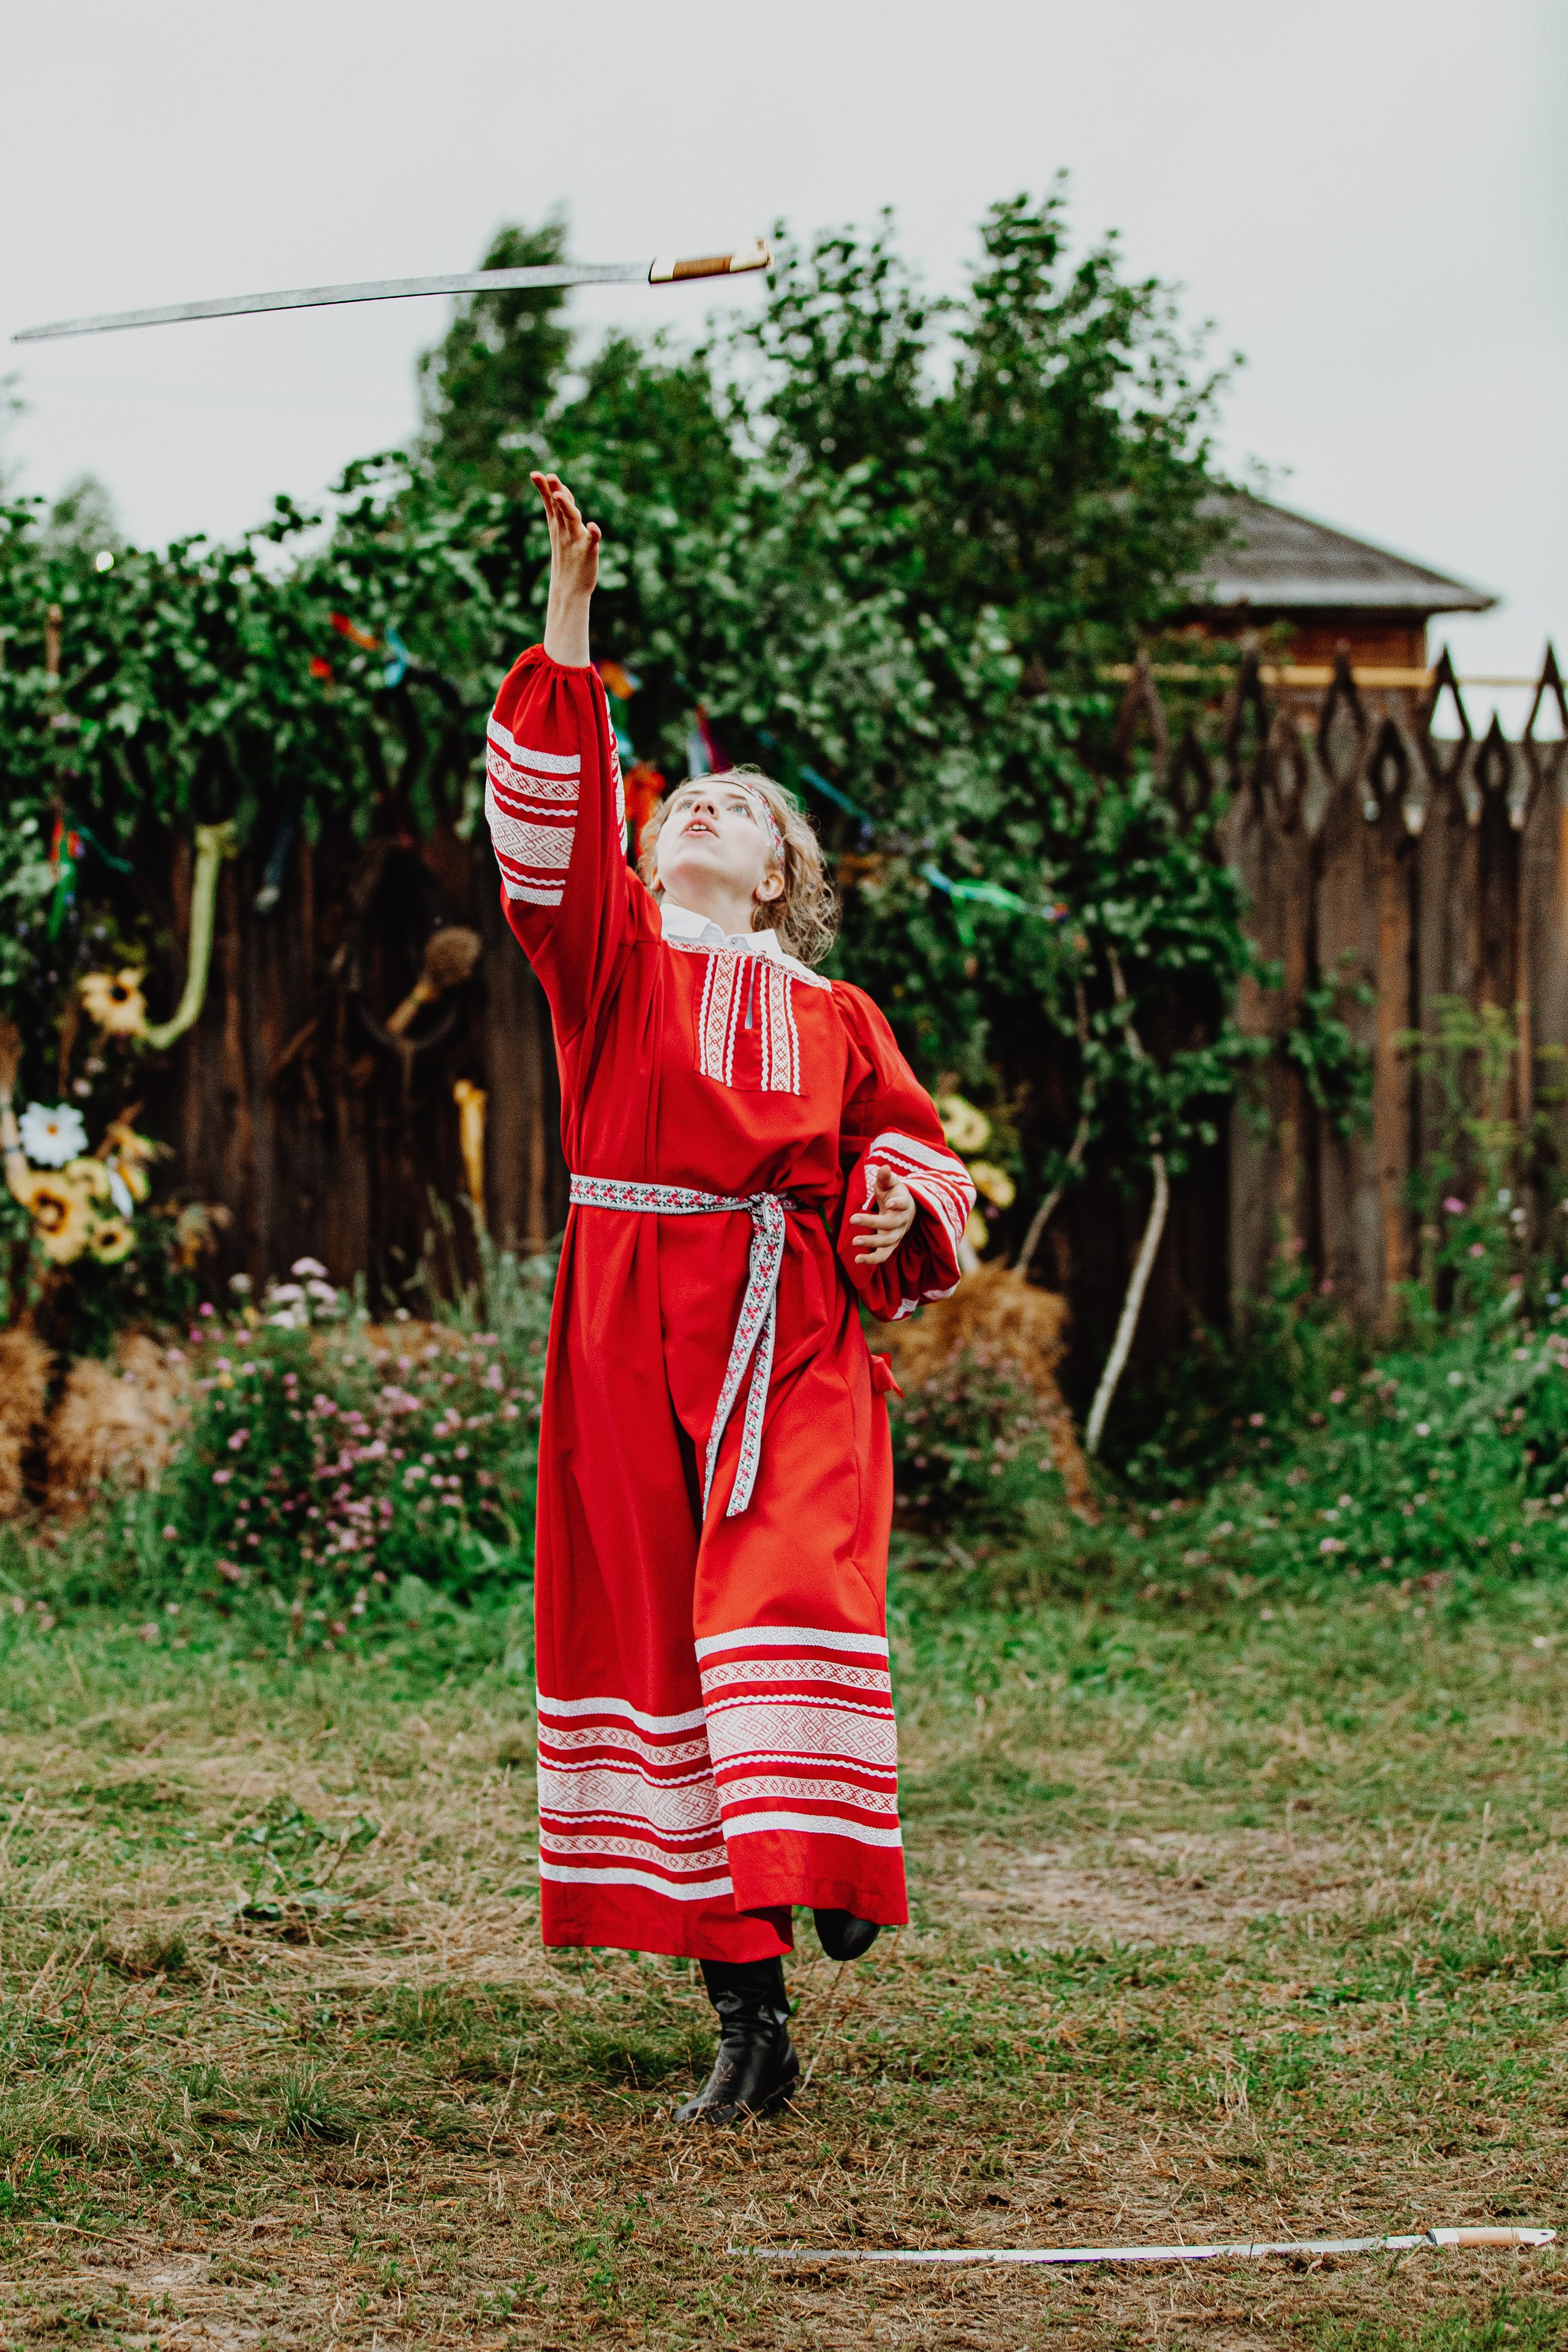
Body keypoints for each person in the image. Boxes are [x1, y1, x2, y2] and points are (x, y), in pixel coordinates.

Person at [486, 473, 976, 2123]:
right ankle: (749, 2020)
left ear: (780, 877)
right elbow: (549, 840)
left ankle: (821, 1851)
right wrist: (570, 624)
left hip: (793, 1336)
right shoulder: (607, 966)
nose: (705, 808)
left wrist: (896, 1207)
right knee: (668, 1653)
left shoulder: (839, 1015)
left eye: (743, 809)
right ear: (647, 854)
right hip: (629, 1331)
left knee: (786, 1586)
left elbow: (916, 1159)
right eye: (684, 801)